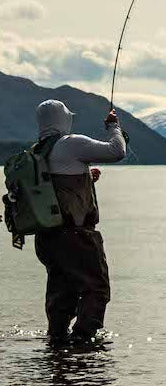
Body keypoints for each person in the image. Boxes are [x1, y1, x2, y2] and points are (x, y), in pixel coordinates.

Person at [33, 99, 127, 345]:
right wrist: (113, 127)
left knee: (61, 294)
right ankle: (83, 345)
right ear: (64, 119)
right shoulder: (71, 143)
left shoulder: (38, 151)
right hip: (75, 236)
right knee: (96, 289)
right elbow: (117, 151)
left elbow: (54, 191)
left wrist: (86, 178)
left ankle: (56, 344)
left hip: (47, 238)